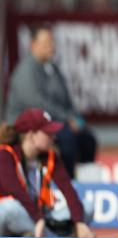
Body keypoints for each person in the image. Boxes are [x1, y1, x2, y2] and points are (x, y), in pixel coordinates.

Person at [6, 24, 98, 178]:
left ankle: (84, 184)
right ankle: (67, 182)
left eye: (52, 42)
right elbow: (36, 103)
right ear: (34, 45)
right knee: (67, 139)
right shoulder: (26, 70)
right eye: (46, 43)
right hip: (27, 125)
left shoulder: (53, 69)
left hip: (53, 122)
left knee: (88, 139)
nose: (51, 47)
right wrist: (66, 120)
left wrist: (76, 119)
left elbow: (66, 100)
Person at [0, 108, 95, 238]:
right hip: (26, 216)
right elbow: (16, 192)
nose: (53, 137)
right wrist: (38, 219)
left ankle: (44, 237)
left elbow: (68, 190)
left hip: (40, 218)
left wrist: (79, 222)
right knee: (7, 208)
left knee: (87, 207)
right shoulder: (5, 154)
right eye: (48, 133)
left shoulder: (50, 157)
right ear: (31, 134)